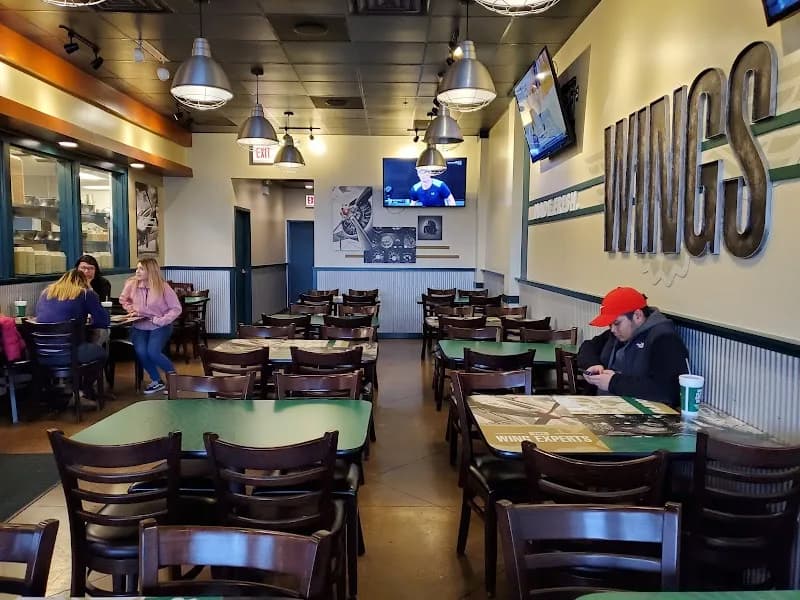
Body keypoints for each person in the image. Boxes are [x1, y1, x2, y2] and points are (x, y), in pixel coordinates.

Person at [578, 286, 689, 407]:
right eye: (610, 325)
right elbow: (588, 346)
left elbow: (668, 391)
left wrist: (613, 382)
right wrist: (592, 364)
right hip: (604, 406)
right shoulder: (618, 333)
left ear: (637, 316)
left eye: (616, 323)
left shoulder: (664, 338)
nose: (613, 330)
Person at [120, 258, 181, 394]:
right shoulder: (131, 284)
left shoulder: (163, 287)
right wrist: (131, 309)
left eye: (141, 269)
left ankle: (174, 380)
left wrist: (162, 320)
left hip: (160, 325)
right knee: (141, 352)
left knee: (153, 352)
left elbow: (176, 308)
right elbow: (123, 299)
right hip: (139, 325)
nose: (137, 271)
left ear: (151, 271)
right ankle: (156, 381)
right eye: (137, 268)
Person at [35, 269, 109, 365]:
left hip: (42, 353)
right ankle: (82, 380)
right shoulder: (86, 293)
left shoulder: (45, 293)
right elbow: (104, 321)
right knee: (102, 352)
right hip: (70, 354)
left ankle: (70, 379)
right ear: (84, 282)